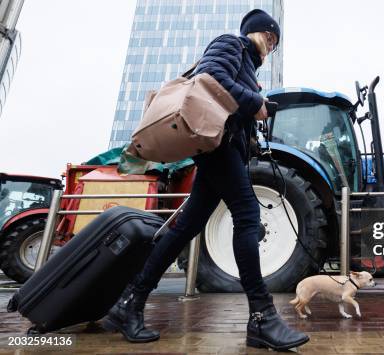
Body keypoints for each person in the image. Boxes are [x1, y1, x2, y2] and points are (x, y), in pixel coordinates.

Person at [103, 9, 310, 350]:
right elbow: (210, 78)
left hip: (223, 147)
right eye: (267, 36)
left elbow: (231, 102)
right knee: (247, 217)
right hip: (216, 146)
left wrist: (253, 125)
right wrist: (255, 102)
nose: (270, 44)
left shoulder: (248, 67)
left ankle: (129, 302)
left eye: (275, 41)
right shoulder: (232, 44)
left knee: (185, 227)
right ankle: (262, 318)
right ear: (253, 31)